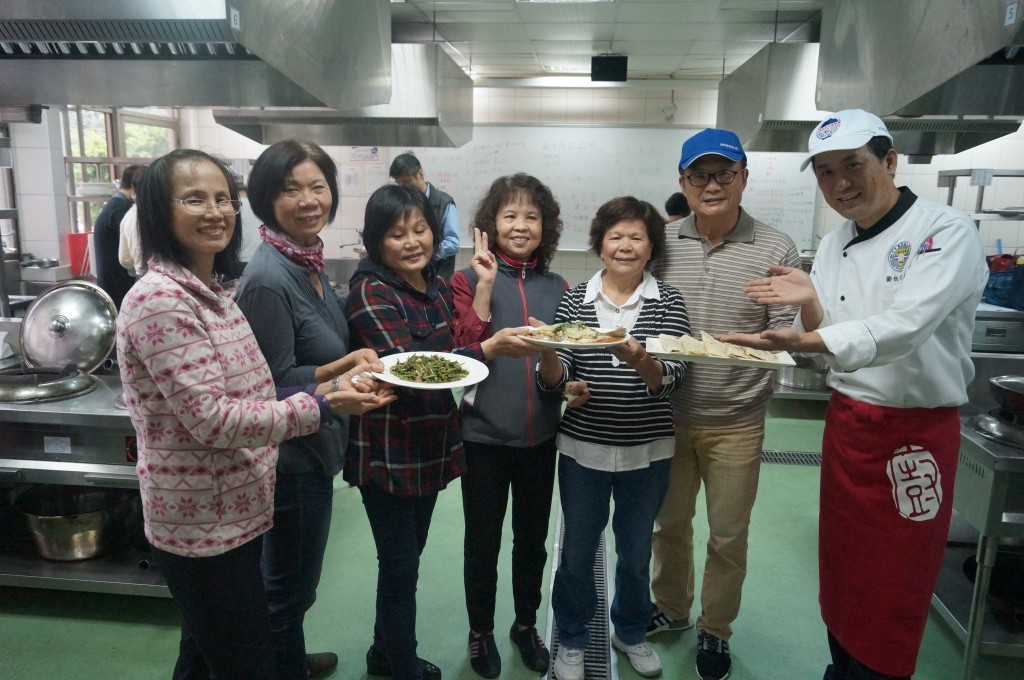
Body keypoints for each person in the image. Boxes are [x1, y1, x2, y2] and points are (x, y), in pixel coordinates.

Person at [720, 109, 988, 680]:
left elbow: (906, 326)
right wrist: (809, 308)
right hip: (847, 425)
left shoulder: (944, 232)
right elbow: (834, 326)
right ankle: (839, 667)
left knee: (895, 579)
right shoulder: (837, 240)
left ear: (889, 161)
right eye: (824, 171)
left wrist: (806, 337)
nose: (839, 182)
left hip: (912, 435)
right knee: (843, 568)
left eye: (853, 165)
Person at [117, 149, 392, 679]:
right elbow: (214, 419)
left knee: (202, 657)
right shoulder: (162, 301)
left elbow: (261, 384)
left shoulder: (212, 293)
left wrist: (332, 374)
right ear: (158, 209)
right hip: (202, 524)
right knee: (247, 661)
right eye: (194, 199)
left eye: (222, 198)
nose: (215, 211)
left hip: (234, 511)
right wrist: (325, 401)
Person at [345, 183, 536, 680]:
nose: (412, 242)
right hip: (388, 450)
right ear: (375, 241)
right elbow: (407, 369)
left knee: (407, 559)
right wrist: (490, 350)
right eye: (397, 234)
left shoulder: (433, 285)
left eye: (420, 229)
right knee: (400, 568)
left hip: (429, 444)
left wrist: (484, 288)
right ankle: (401, 665)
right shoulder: (371, 290)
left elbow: (456, 343)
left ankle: (382, 653)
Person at [647, 128, 799, 680]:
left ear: (744, 179)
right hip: (667, 415)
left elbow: (786, 331)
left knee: (729, 535)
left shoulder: (776, 248)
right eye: (700, 176)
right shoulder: (662, 241)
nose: (712, 186)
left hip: (737, 419)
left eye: (724, 174)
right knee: (668, 525)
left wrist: (764, 342)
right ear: (683, 182)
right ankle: (671, 607)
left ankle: (715, 629)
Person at [235, 140, 384, 680]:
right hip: (290, 461)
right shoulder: (269, 280)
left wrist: (345, 363)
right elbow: (268, 386)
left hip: (315, 447)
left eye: (317, 186)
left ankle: (289, 659)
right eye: (290, 189)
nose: (308, 200)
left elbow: (317, 351)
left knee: (296, 580)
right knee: (287, 587)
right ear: (265, 198)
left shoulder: (306, 262)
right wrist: (341, 378)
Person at [539, 197, 689, 680]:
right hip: (583, 449)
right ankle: (573, 637)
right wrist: (556, 368)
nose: (626, 246)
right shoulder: (575, 300)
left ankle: (630, 630)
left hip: (648, 452)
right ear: (600, 245)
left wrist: (640, 359)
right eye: (616, 236)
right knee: (577, 553)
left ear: (651, 247)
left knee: (636, 552)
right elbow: (560, 376)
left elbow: (675, 375)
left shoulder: (669, 301)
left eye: (637, 237)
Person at [450, 174, 567, 678]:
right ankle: (480, 631)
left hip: (540, 438)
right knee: (482, 542)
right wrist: (484, 285)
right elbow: (460, 353)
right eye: (510, 215)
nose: (521, 226)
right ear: (491, 224)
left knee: (531, 540)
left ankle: (524, 625)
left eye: (532, 216)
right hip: (482, 437)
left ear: (546, 226)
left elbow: (565, 362)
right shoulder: (464, 280)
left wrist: (569, 380)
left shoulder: (558, 287)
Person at [389, 153, 460, 279]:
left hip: (438, 277)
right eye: (399, 183)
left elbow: (453, 243)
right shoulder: (401, 204)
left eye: (407, 182)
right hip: (409, 277)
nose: (404, 187)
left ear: (420, 174)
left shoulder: (443, 202)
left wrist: (425, 252)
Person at [95, 163, 142, 308]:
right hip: (116, 279)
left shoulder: (117, 205)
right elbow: (133, 251)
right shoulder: (122, 209)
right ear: (134, 186)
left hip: (112, 277)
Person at [117, 165, 147, 277]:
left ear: (133, 188)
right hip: (167, 279)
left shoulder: (129, 215)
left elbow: (124, 259)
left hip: (142, 277)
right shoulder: (163, 213)